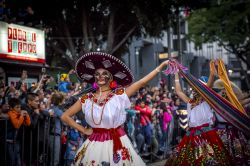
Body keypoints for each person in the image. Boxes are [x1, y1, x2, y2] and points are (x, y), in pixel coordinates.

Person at [61, 52, 169, 165]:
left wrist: (160, 67)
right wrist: (83, 130)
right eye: (97, 74)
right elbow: (65, 116)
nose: (100, 76)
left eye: (104, 73)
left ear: (111, 77)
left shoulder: (119, 95)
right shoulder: (86, 99)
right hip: (93, 143)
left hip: (117, 143)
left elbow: (141, 82)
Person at [165, 60, 231, 165]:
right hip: (191, 135)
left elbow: (209, 84)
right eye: (194, 88)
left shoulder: (206, 98)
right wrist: (176, 74)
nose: (194, 89)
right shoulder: (190, 101)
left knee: (209, 161)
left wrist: (212, 72)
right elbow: (179, 91)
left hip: (207, 134)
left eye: (198, 87)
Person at [7, 98, 31, 166]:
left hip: (17, 140)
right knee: (11, 159)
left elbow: (28, 124)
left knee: (17, 159)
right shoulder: (11, 113)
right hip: (9, 141)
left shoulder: (19, 113)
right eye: (17, 107)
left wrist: (26, 115)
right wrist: (21, 116)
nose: (19, 109)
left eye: (20, 107)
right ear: (11, 108)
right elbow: (16, 125)